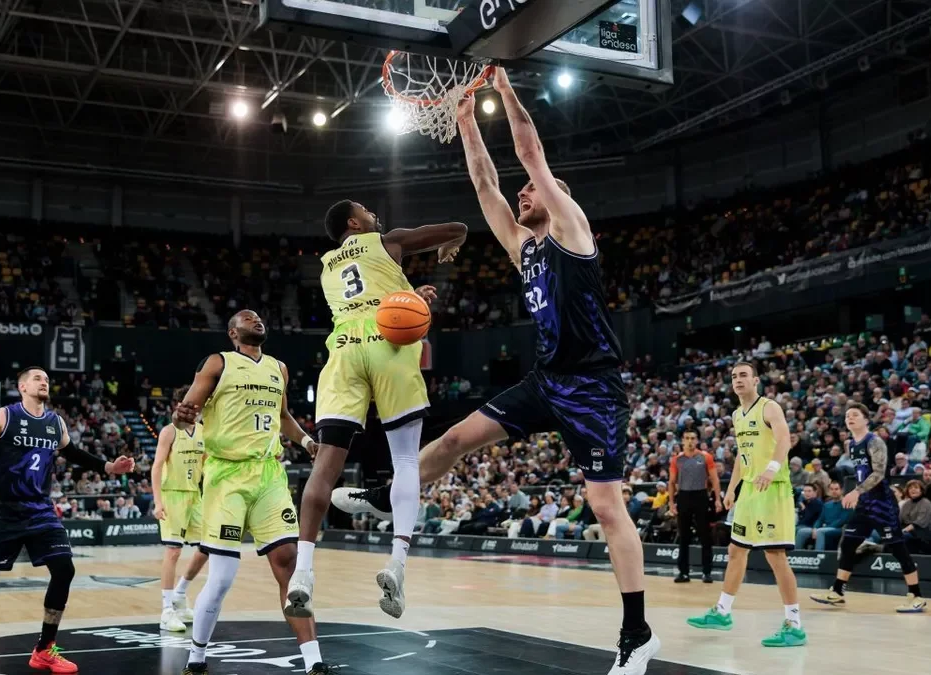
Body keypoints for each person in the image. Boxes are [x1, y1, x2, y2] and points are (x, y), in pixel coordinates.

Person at [328, 68, 660, 674]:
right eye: (527, 194)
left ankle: (637, 633)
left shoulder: (571, 231)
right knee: (453, 438)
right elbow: (486, 184)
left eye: (535, 191)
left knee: (608, 507)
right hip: (547, 381)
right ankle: (387, 495)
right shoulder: (521, 245)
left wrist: (504, 93)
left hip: (593, 387)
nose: (526, 195)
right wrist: (462, 121)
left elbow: (530, 154)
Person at [284, 201, 466, 621]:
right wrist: (451, 244)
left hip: (344, 350)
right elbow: (456, 224)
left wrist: (408, 299)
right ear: (354, 222)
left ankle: (303, 573)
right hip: (389, 344)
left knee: (324, 471)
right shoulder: (389, 241)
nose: (373, 214)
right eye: (365, 211)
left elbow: (371, 297)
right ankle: (397, 564)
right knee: (404, 460)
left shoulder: (327, 263)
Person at [0, 367, 135, 675]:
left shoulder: (55, 423)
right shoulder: (5, 416)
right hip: (5, 511)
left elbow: (75, 453)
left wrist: (109, 466)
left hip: (41, 510)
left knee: (64, 569)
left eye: (47, 379)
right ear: (23, 386)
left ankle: (44, 649)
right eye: (38, 378)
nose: (45, 382)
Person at [172, 310, 331, 675]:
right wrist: (180, 418)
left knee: (289, 562)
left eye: (259, 317)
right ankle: (196, 657)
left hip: (268, 473)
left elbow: (283, 416)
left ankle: (313, 662)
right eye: (247, 318)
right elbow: (186, 414)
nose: (256, 319)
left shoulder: (279, 367)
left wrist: (307, 441)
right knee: (224, 575)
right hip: (226, 476)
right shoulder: (218, 363)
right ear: (233, 332)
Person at [687, 361, 807, 648]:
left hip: (773, 488)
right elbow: (743, 455)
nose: (738, 379)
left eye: (743, 375)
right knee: (735, 550)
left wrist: (772, 468)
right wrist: (732, 489)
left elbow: (784, 439)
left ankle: (794, 625)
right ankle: (723, 611)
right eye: (733, 376)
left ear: (755, 381)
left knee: (775, 556)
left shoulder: (770, 407)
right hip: (750, 491)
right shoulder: (737, 414)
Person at [810, 402, 927, 613]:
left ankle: (916, 595)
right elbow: (862, 475)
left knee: (898, 548)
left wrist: (856, 491)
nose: (850, 418)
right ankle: (837, 591)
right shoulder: (852, 445)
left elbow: (879, 473)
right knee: (848, 543)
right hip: (865, 502)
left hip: (882, 502)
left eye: (854, 415)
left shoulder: (875, 441)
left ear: (866, 419)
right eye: (847, 416)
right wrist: (857, 494)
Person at [150, 386, 210, 632]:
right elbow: (156, 467)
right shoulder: (169, 432)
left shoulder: (204, 431)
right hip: (172, 494)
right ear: (177, 405)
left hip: (195, 495)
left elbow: (207, 465)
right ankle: (166, 610)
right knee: (173, 551)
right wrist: (157, 501)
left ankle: (180, 592)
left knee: (207, 547)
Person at [667, 429, 721, 583]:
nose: (690, 441)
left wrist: (717, 499)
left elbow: (715, 479)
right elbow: (671, 482)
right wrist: (671, 503)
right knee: (683, 536)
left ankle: (707, 572)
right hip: (683, 496)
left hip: (701, 496)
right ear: (682, 441)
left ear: (697, 440)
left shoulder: (705, 457)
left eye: (693, 438)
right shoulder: (677, 459)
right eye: (687, 438)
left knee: (705, 536)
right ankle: (683, 572)